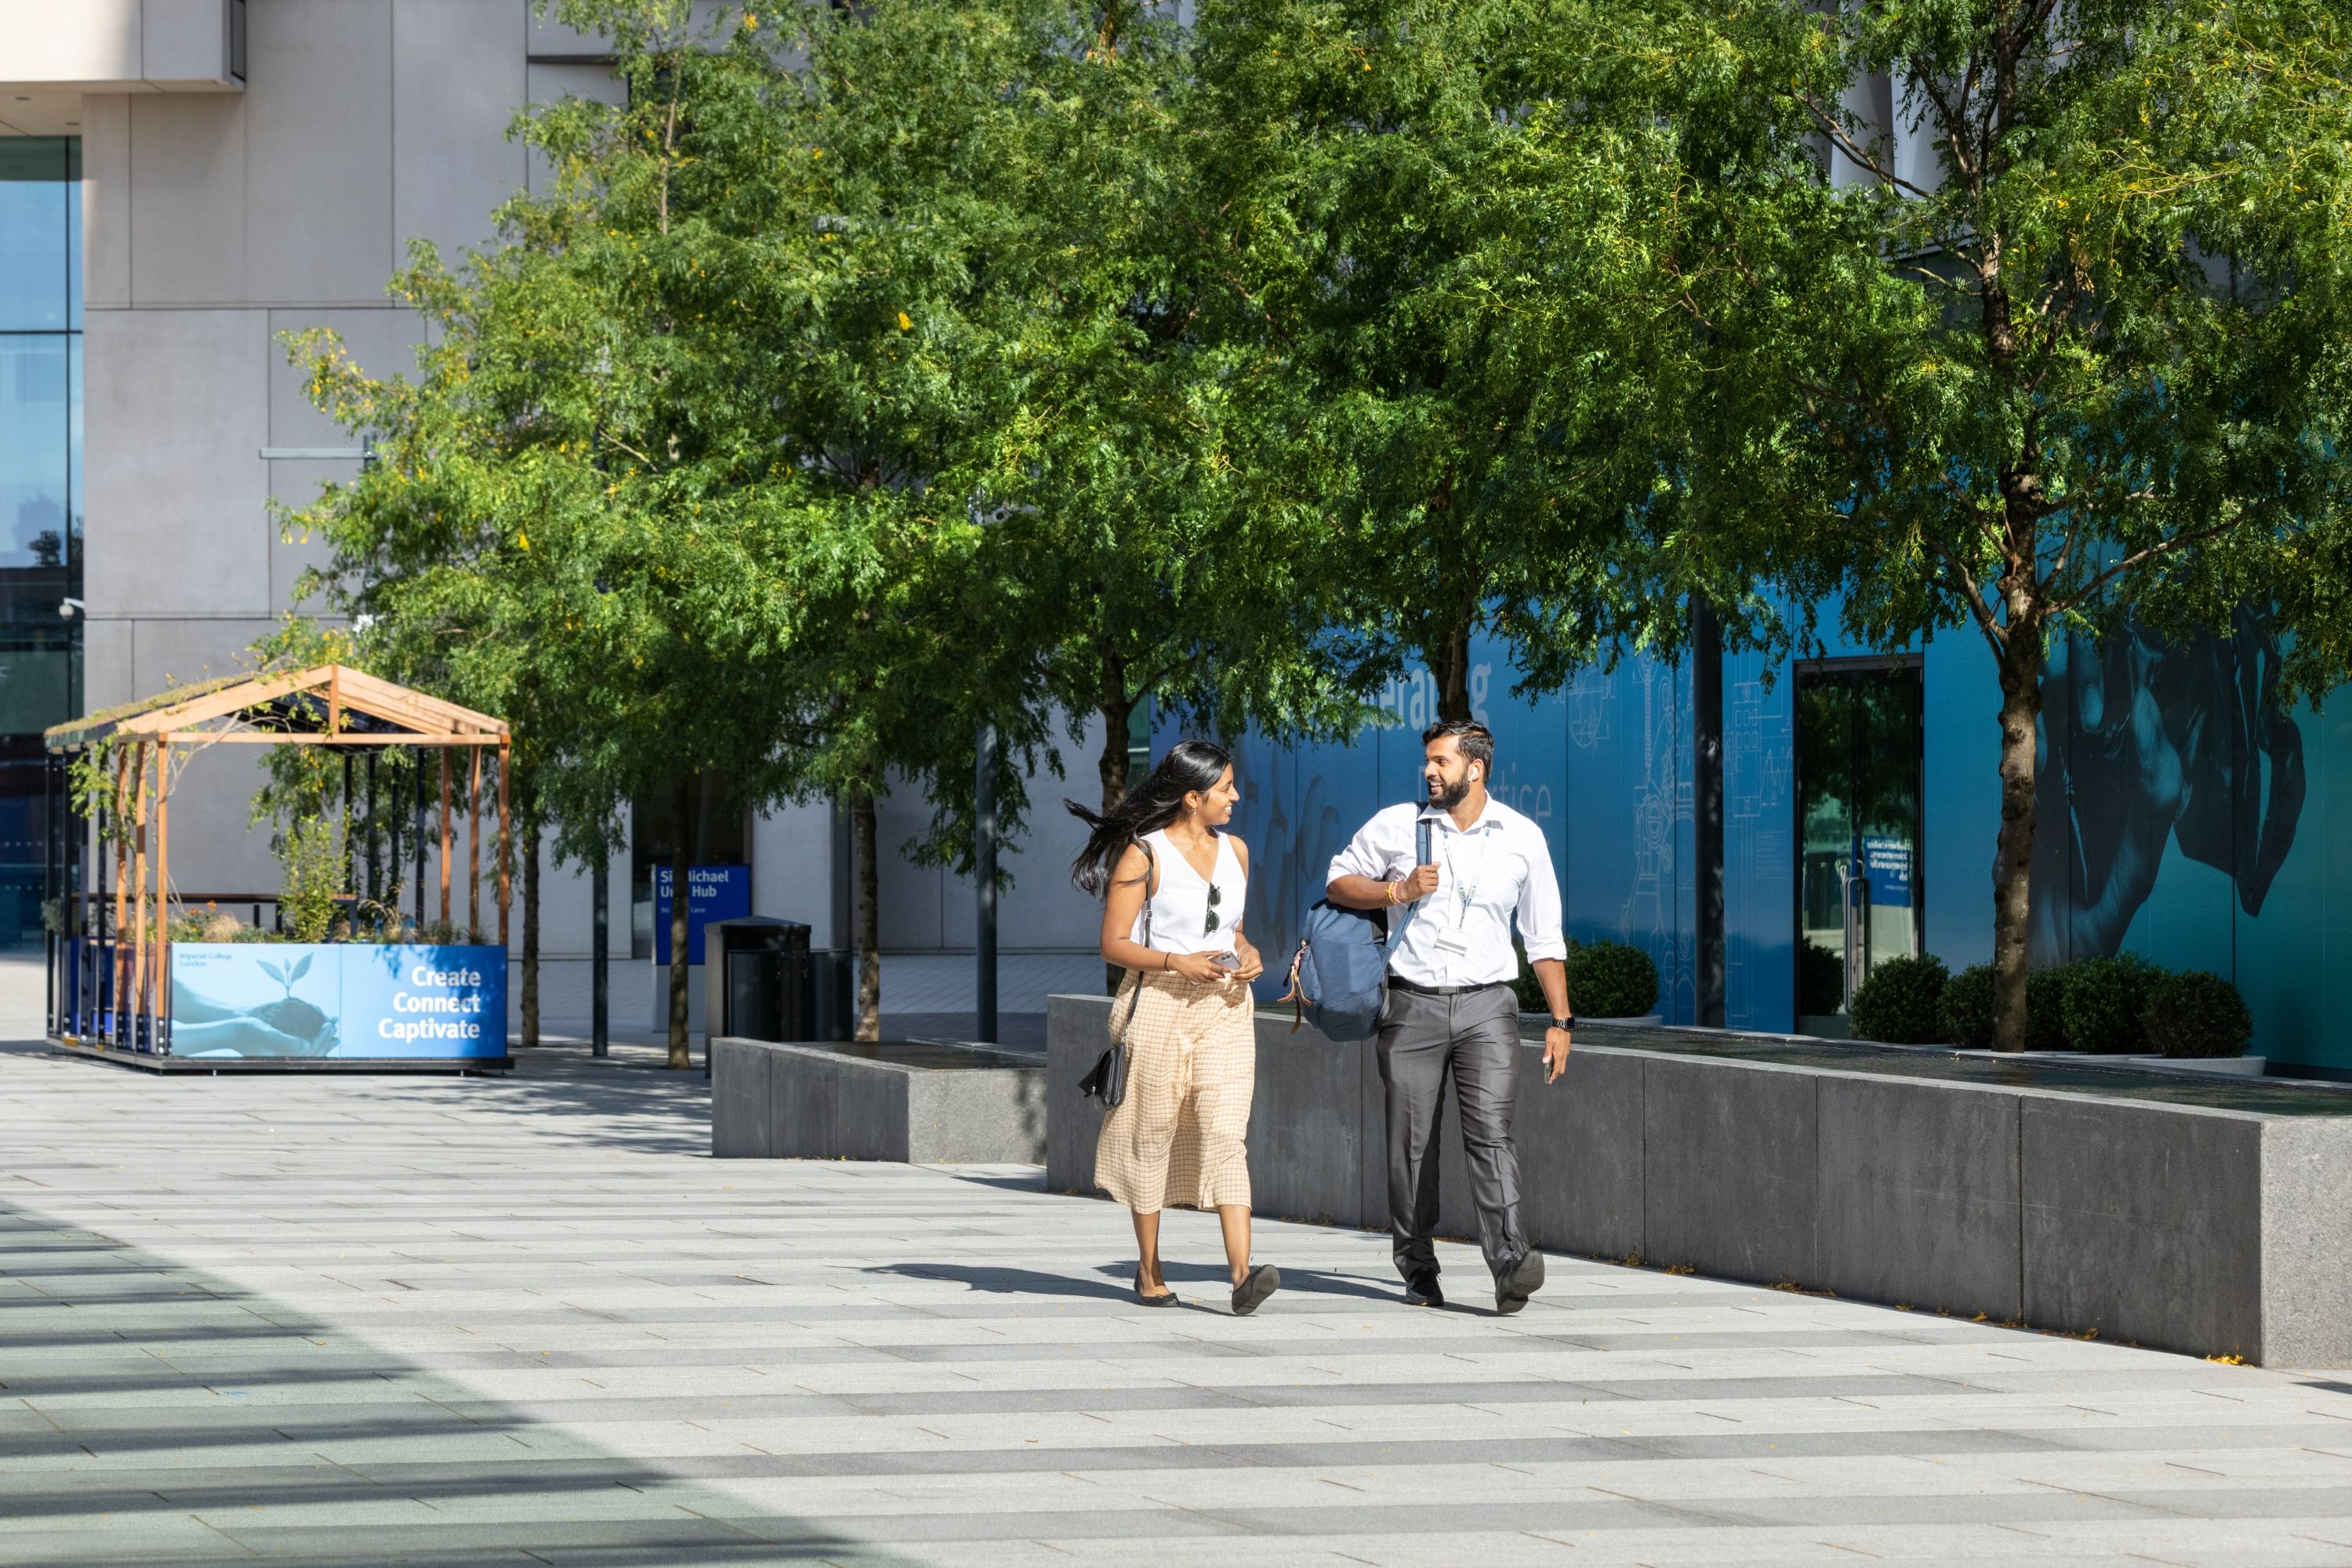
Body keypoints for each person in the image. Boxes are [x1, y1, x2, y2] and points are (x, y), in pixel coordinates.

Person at [1326, 718, 1574, 1313]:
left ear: (1476, 768)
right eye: (1429, 762)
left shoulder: (1521, 837)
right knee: (1412, 1145)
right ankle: (1416, 1263)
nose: (1430, 771)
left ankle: (1510, 1264)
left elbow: (1543, 938)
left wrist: (1561, 1023)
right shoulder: (1398, 826)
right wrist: (1397, 892)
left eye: (1441, 762)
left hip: (1489, 1006)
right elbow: (1337, 882)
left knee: (1492, 1135)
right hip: (1411, 1003)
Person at [1066, 741, 1282, 1316]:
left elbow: (1230, 929)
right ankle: (1149, 1269)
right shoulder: (1144, 855)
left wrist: (1249, 949)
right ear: (1193, 797)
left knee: (1225, 1133)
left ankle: (1242, 1275)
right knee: (1152, 1132)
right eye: (1226, 788)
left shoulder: (1236, 850)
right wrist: (1174, 962)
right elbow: (1114, 944)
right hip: (1160, 1003)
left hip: (1226, 1006)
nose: (1236, 797)